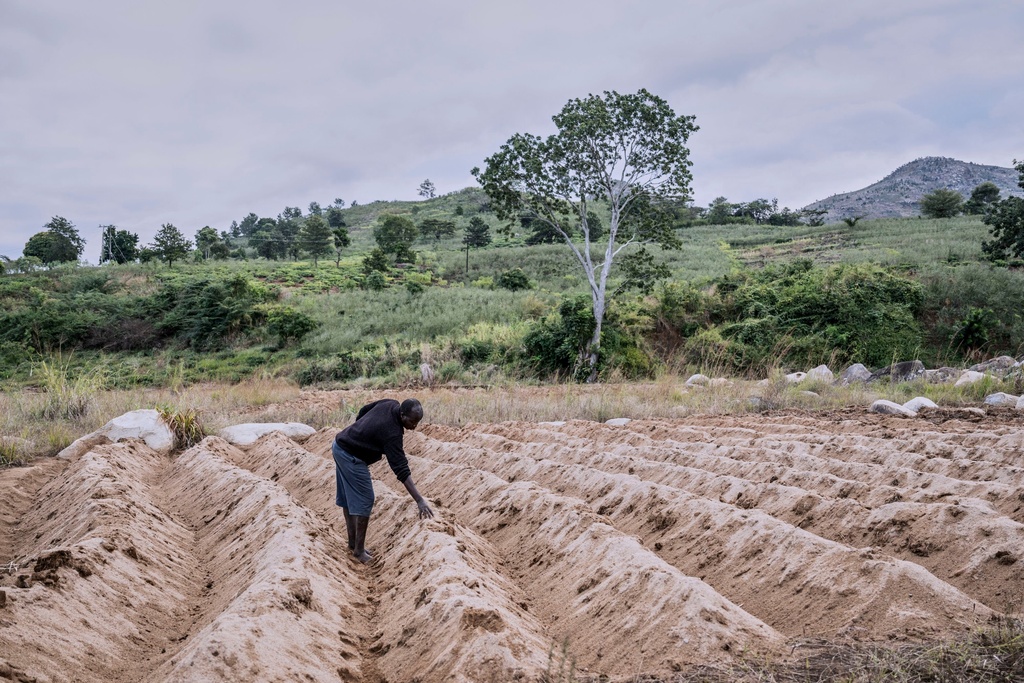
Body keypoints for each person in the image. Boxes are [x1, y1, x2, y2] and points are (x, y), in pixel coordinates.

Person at [333, 397, 433, 563]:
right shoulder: (392, 433)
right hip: (350, 455)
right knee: (365, 498)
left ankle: (352, 543)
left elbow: (364, 409)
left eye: (417, 422)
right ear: (402, 415)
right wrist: (419, 500)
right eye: (412, 422)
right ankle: (358, 551)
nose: (414, 427)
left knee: (348, 497)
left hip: (340, 444)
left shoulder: (390, 403)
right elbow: (400, 469)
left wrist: (360, 430)